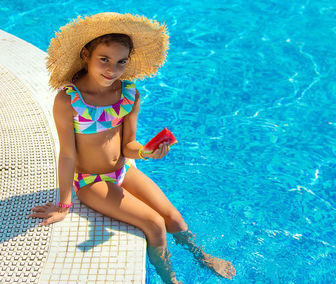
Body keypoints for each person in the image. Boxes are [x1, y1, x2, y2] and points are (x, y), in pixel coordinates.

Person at [27, 12, 235, 283]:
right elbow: (67, 154)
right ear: (86, 55)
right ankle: (171, 280)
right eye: (104, 60)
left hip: (122, 171)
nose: (112, 70)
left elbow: (128, 145)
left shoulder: (128, 94)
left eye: (120, 62)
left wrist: (146, 152)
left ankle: (202, 255)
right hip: (91, 182)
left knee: (174, 218)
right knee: (155, 225)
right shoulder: (69, 100)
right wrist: (64, 204)